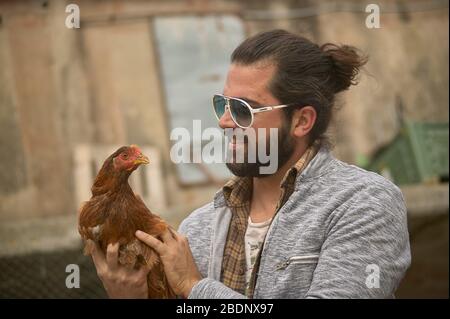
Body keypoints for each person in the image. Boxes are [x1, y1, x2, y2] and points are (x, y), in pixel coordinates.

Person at [89, 29, 411, 299]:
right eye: (223, 104)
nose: (226, 122)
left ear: (301, 121)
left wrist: (195, 287)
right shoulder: (197, 229)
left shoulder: (362, 203)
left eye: (244, 109)